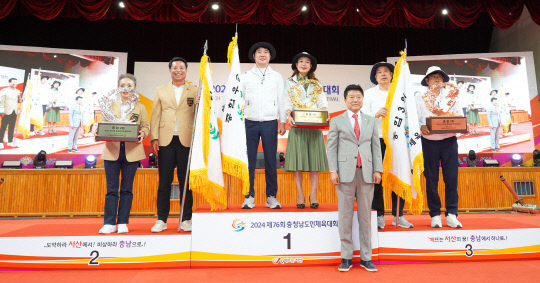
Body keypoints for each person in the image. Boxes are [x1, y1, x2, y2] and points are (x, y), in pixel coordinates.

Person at [327, 84, 382, 272]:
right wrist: (333, 170)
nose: (355, 100)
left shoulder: (370, 120)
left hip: (367, 173)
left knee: (366, 217)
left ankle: (367, 258)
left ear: (362, 99)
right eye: (351, 97)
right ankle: (346, 257)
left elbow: (376, 147)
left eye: (358, 96)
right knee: (345, 217)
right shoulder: (337, 121)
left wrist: (378, 170)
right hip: (344, 174)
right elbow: (331, 148)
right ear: (345, 100)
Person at [150, 57, 199, 233]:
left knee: (186, 182)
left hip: (186, 140)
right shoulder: (160, 90)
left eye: (181, 67)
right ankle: (161, 219)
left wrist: (202, 105)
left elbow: (200, 116)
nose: (178, 70)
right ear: (170, 70)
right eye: (174, 67)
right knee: (164, 182)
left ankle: (186, 219)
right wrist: (154, 137)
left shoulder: (194, 90)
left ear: (186, 70)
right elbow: (156, 114)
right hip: (166, 140)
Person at [363, 62, 413, 229]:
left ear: (392, 75)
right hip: (377, 139)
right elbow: (362, 116)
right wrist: (375, 114)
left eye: (386, 71)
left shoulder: (401, 93)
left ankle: (398, 216)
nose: (383, 74)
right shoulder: (369, 94)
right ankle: (379, 215)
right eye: (379, 72)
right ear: (375, 77)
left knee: (398, 177)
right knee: (377, 178)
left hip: (398, 141)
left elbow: (409, 115)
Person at [99, 74, 149, 234]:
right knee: (111, 189)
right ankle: (108, 222)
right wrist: (97, 128)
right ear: (118, 88)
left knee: (127, 189)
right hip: (112, 151)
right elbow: (103, 125)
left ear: (134, 89)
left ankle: (122, 222)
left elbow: (146, 126)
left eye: (130, 85)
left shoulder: (140, 107)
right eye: (123, 85)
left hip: (132, 152)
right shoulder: (110, 106)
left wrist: (143, 133)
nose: (126, 88)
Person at [241, 42, 286, 209]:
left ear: (270, 56)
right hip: (249, 122)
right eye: (258, 52)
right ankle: (248, 196)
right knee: (249, 161)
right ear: (253, 56)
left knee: (270, 161)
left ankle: (271, 196)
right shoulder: (245, 76)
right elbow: (239, 99)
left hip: (269, 122)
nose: (262, 54)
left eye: (265, 52)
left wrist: (282, 121)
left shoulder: (276, 76)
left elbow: (281, 100)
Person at [417, 66, 462, 229]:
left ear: (443, 80)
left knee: (451, 178)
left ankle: (451, 214)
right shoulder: (419, 98)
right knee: (431, 180)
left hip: (449, 142)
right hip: (428, 142)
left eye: (439, 77)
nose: (437, 79)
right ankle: (435, 214)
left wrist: (461, 124)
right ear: (427, 81)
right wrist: (421, 127)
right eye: (433, 77)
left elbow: (459, 116)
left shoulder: (452, 97)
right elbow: (414, 120)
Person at [283, 52, 328, 209]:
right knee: (298, 164)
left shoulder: (317, 83)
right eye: (300, 61)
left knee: (314, 164)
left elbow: (323, 102)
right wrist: (288, 115)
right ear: (296, 65)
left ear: (311, 66)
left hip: (314, 126)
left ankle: (313, 194)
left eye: (307, 62)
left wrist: (325, 114)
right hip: (297, 126)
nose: (303, 64)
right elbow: (287, 102)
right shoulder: (289, 83)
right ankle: (300, 195)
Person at [0, 78, 22, 147]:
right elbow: (1, 102)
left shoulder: (18, 91)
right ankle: (0, 142)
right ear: (9, 83)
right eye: (13, 82)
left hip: (14, 112)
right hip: (6, 111)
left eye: (16, 82)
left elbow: (19, 101)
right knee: (3, 127)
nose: (14, 84)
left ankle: (10, 141)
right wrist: (1, 112)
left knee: (12, 127)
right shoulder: (4, 90)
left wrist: (23, 97)